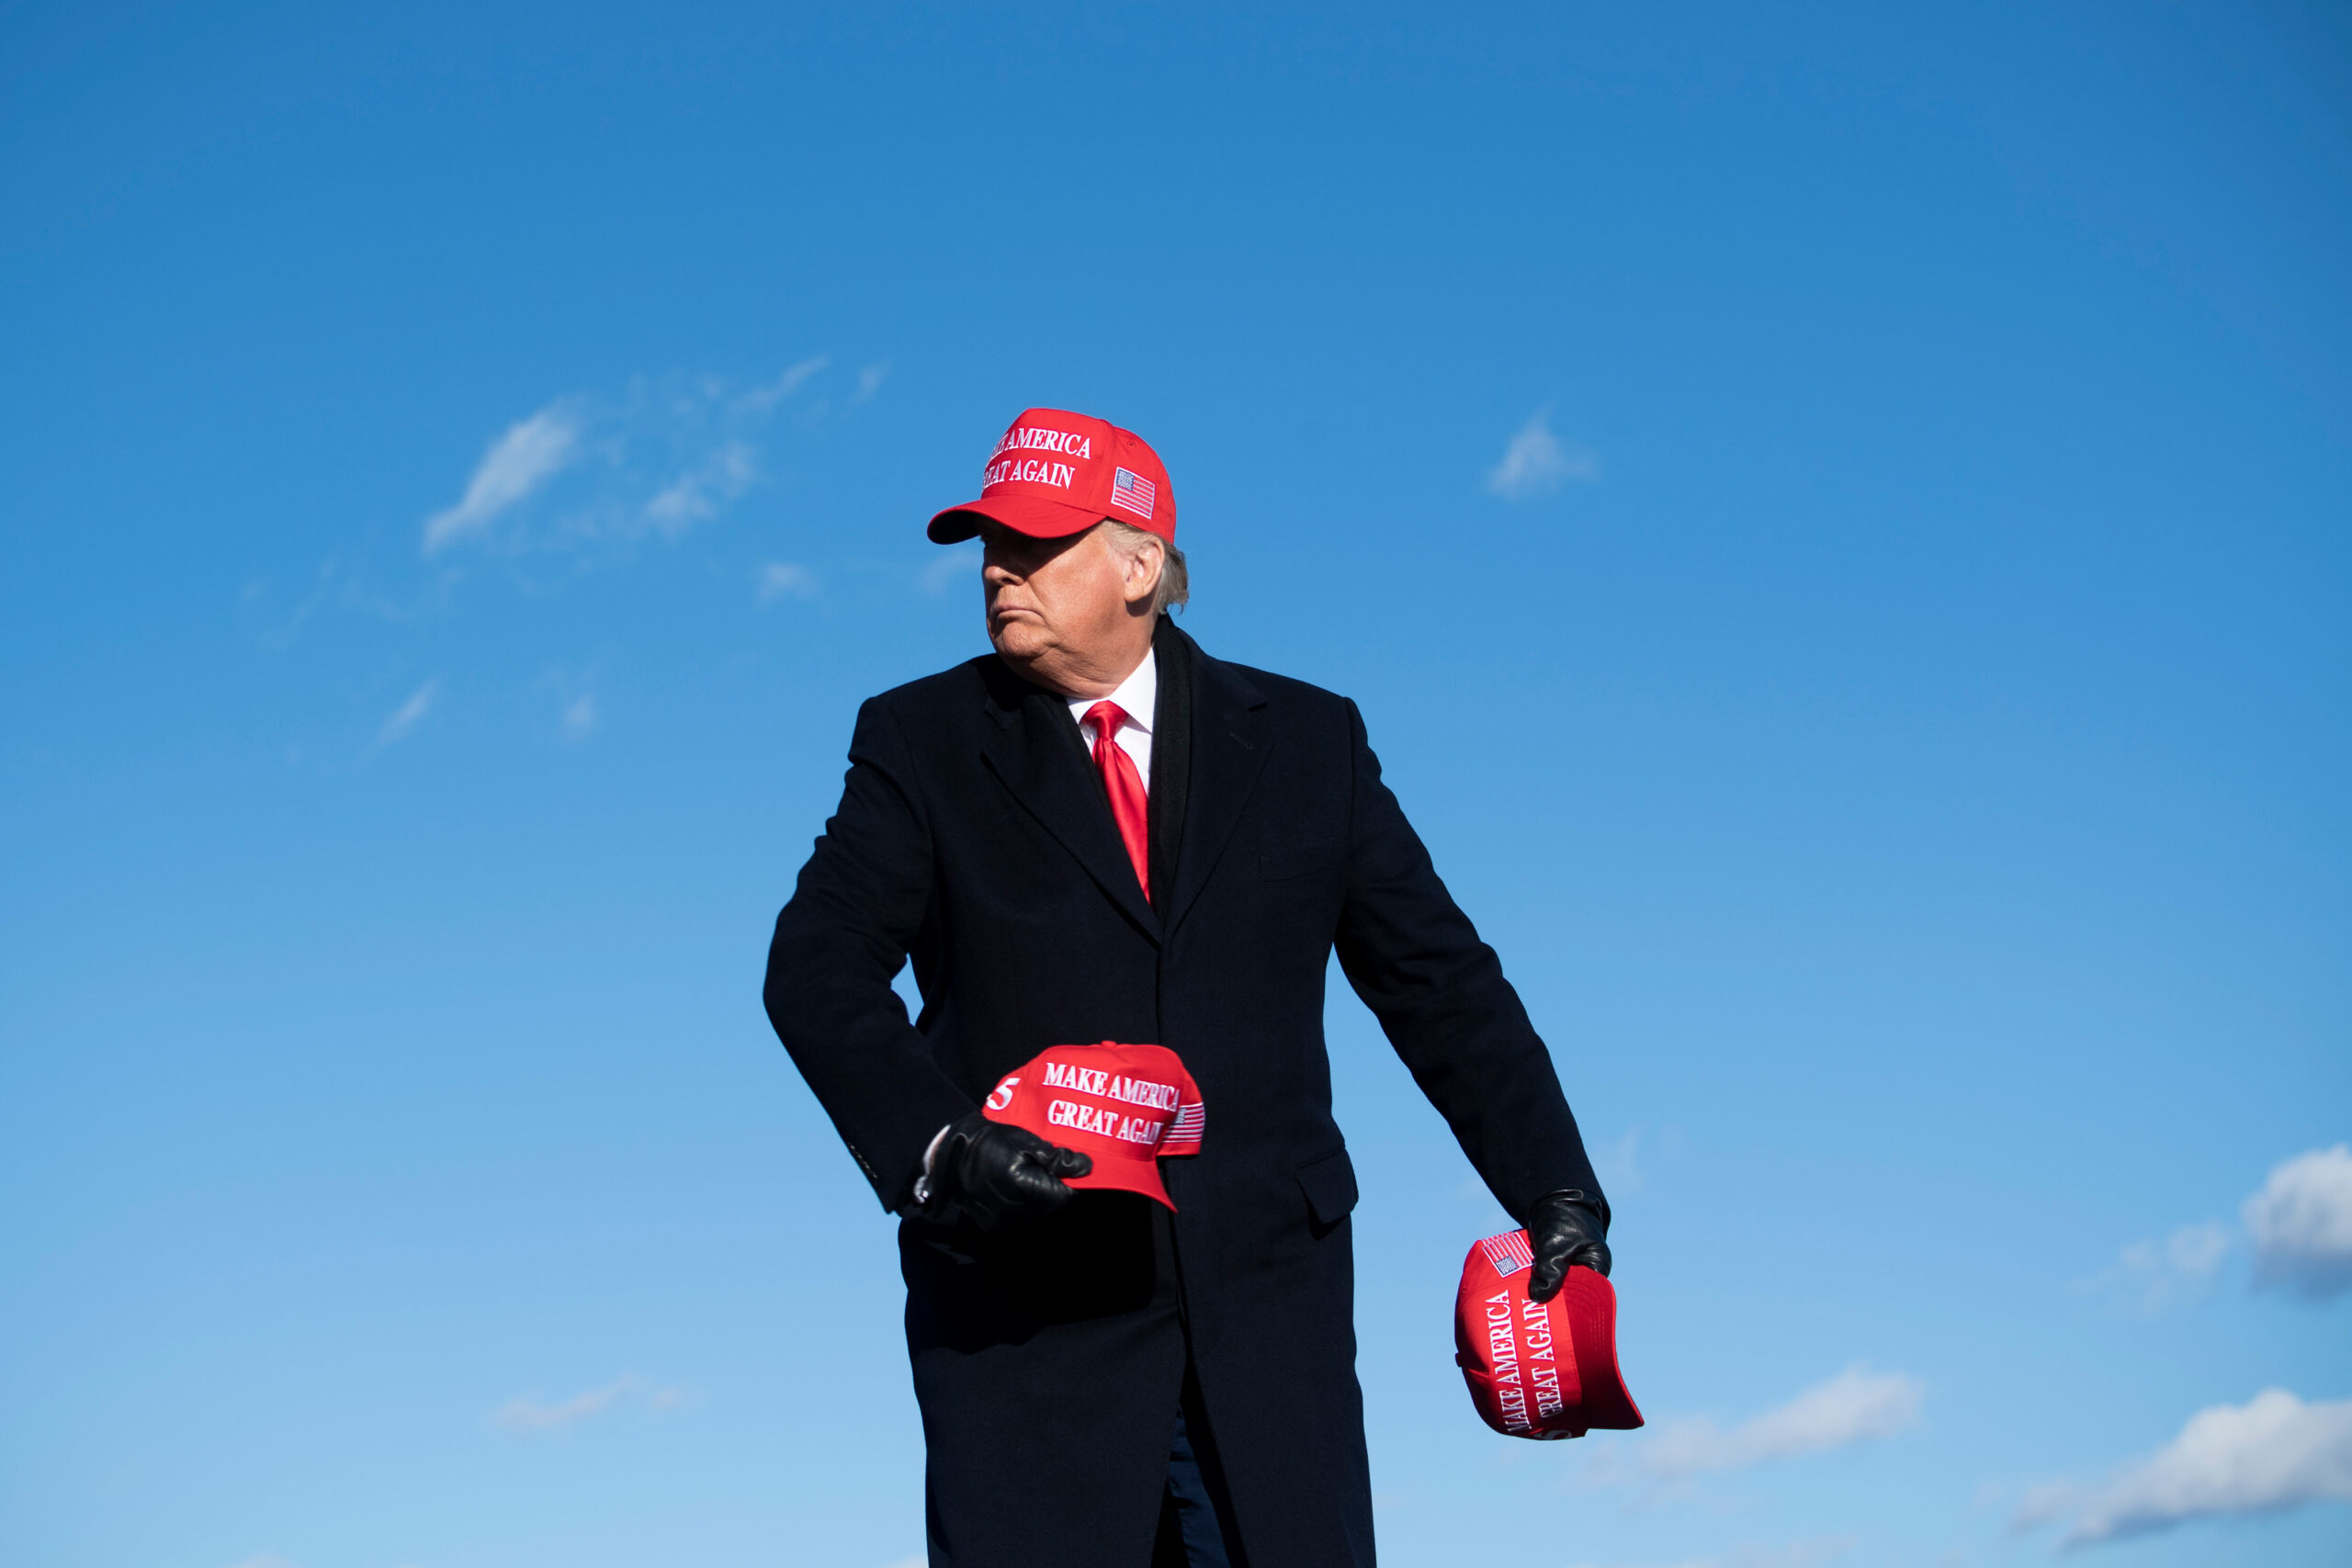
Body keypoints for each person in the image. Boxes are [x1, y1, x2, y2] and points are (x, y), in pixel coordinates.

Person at [763, 408, 1612, 1568]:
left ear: (1141, 566)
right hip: (1025, 1331)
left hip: (1268, 1328)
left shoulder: (1311, 742)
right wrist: (940, 1148)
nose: (999, 569)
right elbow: (813, 970)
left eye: (1036, 541)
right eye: (987, 545)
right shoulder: (916, 740)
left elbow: (1439, 982)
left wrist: (1555, 1187)